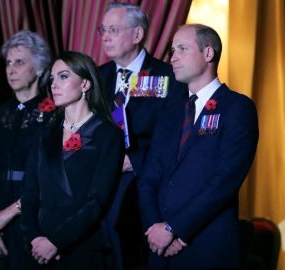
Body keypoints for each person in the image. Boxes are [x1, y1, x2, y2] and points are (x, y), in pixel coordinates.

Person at [138, 24, 259, 269]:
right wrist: (154, 227)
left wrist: (176, 230)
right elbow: (149, 176)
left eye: (182, 49)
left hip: (206, 245)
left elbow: (224, 181)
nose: (173, 57)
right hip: (158, 248)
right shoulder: (171, 112)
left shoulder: (237, 108)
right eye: (173, 50)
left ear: (208, 54)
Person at [97, 2, 187, 269]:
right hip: (100, 187)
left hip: (145, 187)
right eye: (103, 30)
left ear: (137, 35)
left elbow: (175, 137)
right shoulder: (97, 77)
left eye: (113, 29)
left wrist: (134, 160)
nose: (106, 36)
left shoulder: (168, 76)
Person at [21, 51, 124, 269]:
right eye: (52, 79)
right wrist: (35, 238)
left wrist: (57, 241)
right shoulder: (45, 134)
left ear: (85, 84)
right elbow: (29, 194)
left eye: (64, 76)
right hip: (39, 248)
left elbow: (98, 200)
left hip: (82, 246)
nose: (54, 84)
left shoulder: (107, 135)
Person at [0, 30, 55, 270]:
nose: (11, 69)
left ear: (39, 69)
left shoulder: (53, 116)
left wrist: (4, 217)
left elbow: (49, 179)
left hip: (28, 217)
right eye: (8, 62)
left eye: (19, 62)